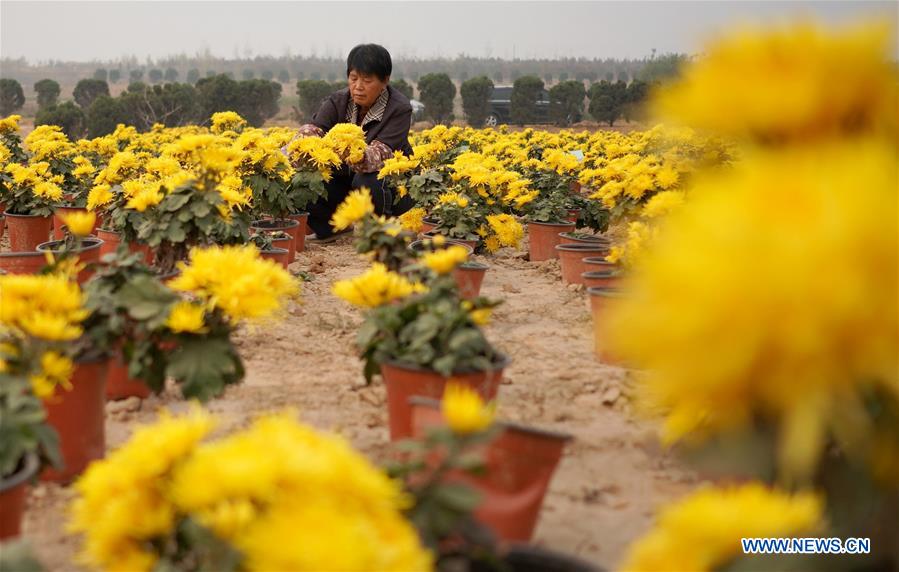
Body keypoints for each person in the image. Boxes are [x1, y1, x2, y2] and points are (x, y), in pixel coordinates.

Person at [287, 43, 415, 241]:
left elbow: (380, 154)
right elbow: (313, 129)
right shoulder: (338, 101)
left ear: (385, 81)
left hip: (392, 184)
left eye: (367, 80)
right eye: (353, 78)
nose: (358, 86)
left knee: (367, 179)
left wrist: (345, 150)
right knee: (303, 180)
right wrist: (298, 148)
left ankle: (380, 230)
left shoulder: (399, 108)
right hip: (346, 176)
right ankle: (331, 227)